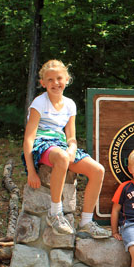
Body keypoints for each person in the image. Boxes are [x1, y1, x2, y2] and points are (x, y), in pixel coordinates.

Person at [22, 59, 110, 238]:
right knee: (62, 157)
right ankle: (55, 213)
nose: (55, 83)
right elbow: (29, 138)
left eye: (59, 78)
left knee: (98, 170)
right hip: (43, 144)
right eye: (50, 80)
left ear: (67, 79)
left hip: (61, 145)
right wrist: (31, 170)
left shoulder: (70, 104)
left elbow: (71, 136)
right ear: (43, 83)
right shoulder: (39, 103)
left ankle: (86, 222)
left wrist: (72, 148)